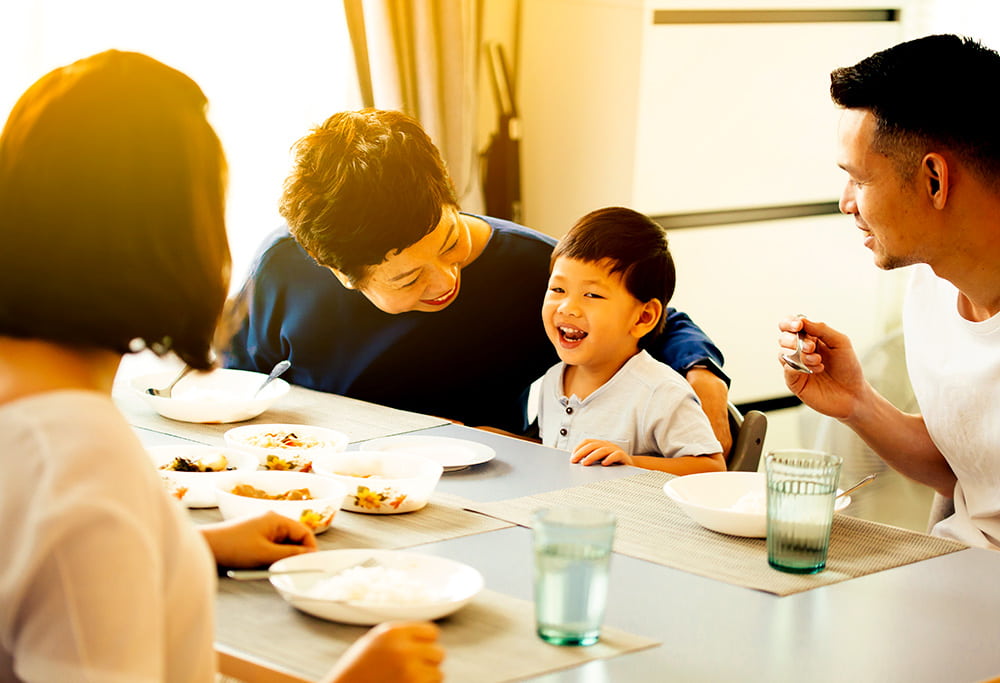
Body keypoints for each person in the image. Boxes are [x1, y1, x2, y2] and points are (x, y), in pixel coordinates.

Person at [0, 50, 443, 681]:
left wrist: (181, 545)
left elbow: (51, 578)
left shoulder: (39, 421)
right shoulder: (75, 462)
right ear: (172, 236)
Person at [224, 109, 734, 453]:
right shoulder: (282, 267)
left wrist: (703, 375)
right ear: (337, 272)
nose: (446, 280)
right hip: (330, 477)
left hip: (486, 491)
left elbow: (655, 320)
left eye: (450, 243)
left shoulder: (532, 269)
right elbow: (232, 384)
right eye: (408, 278)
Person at [778, 34, 1000, 550]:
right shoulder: (930, 287)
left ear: (934, 181)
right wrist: (858, 402)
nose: (845, 203)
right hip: (953, 571)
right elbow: (970, 472)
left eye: (859, 179)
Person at [538, 207, 725, 474]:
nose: (567, 307)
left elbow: (712, 470)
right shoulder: (553, 379)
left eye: (591, 295)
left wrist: (632, 462)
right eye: (558, 289)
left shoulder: (661, 392)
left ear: (643, 318)